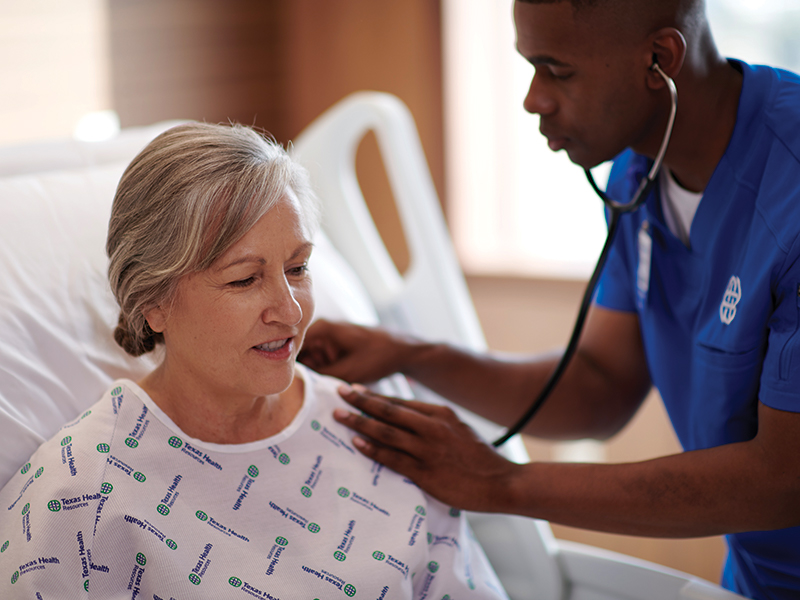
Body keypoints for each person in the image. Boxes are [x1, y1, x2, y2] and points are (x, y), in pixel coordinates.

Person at [298, 1, 800, 599]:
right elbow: (599, 384)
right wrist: (410, 354)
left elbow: (783, 478)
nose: (533, 100)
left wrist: (501, 484)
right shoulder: (639, 174)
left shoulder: (790, 192)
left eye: (557, 71)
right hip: (758, 579)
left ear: (659, 58)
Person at [0, 123, 508, 599]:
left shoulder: (375, 435)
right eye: (244, 279)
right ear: (153, 301)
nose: (290, 311)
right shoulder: (79, 493)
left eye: (298, 268)